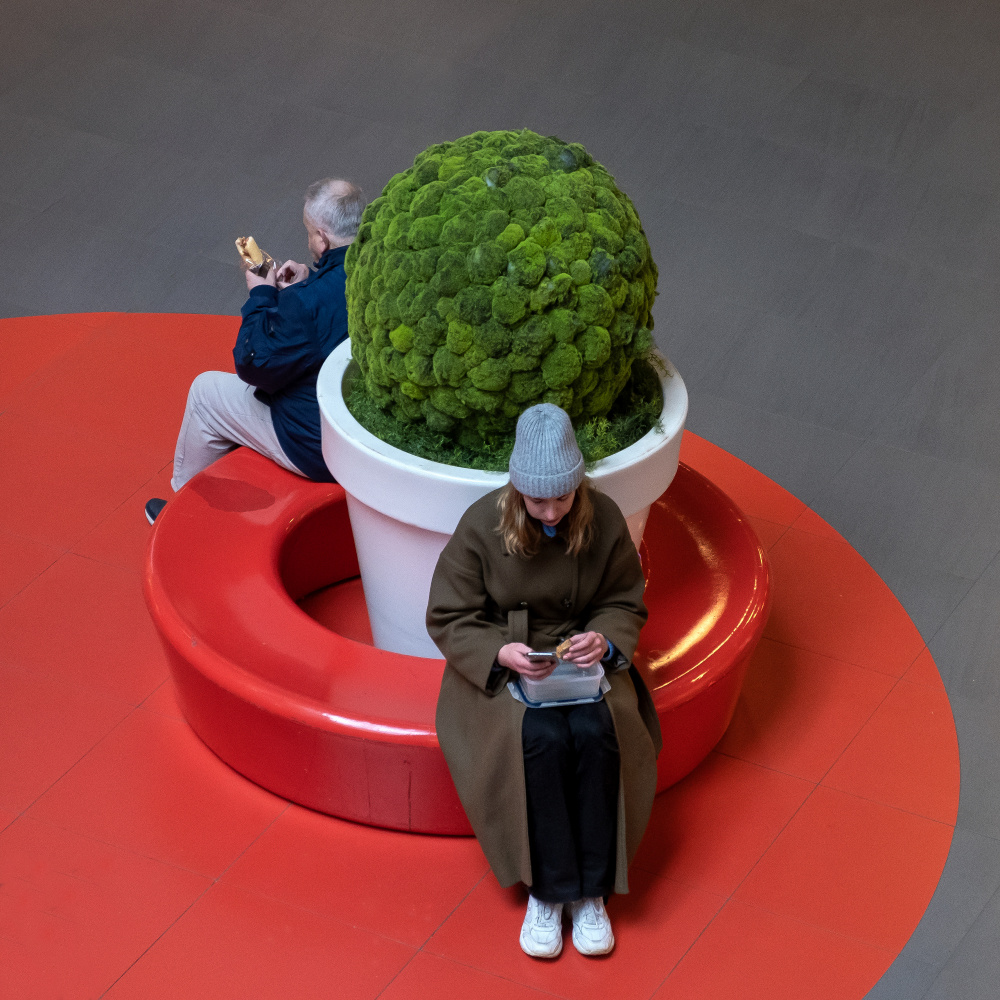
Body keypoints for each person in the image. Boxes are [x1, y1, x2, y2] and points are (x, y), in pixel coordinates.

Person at [426, 403, 662, 959]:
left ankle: (592, 892)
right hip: (508, 663)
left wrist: (603, 641)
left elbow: (623, 600)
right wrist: (501, 652)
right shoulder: (482, 525)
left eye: (563, 496)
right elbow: (449, 614)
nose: (551, 510)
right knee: (541, 740)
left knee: (599, 733)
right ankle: (551, 893)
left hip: (582, 662)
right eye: (538, 500)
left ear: (578, 485)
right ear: (516, 490)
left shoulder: (602, 518)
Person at [144, 178, 364, 523]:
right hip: (366, 426)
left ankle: (179, 519)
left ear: (321, 236)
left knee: (206, 394)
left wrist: (262, 293)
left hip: (318, 445)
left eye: (309, 233)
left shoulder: (306, 304)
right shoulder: (377, 268)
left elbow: (252, 362)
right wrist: (312, 278)